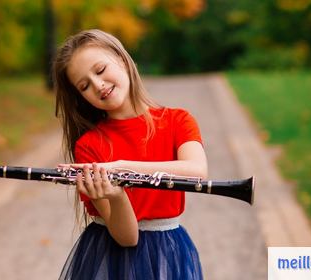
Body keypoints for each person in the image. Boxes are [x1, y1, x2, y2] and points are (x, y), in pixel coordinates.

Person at [53, 29, 208, 280]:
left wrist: (122, 167)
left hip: (169, 248)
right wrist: (116, 195)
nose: (98, 85)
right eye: (85, 86)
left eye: (100, 70)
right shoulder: (89, 146)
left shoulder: (178, 120)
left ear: (123, 59)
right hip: (110, 257)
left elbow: (197, 171)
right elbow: (127, 238)